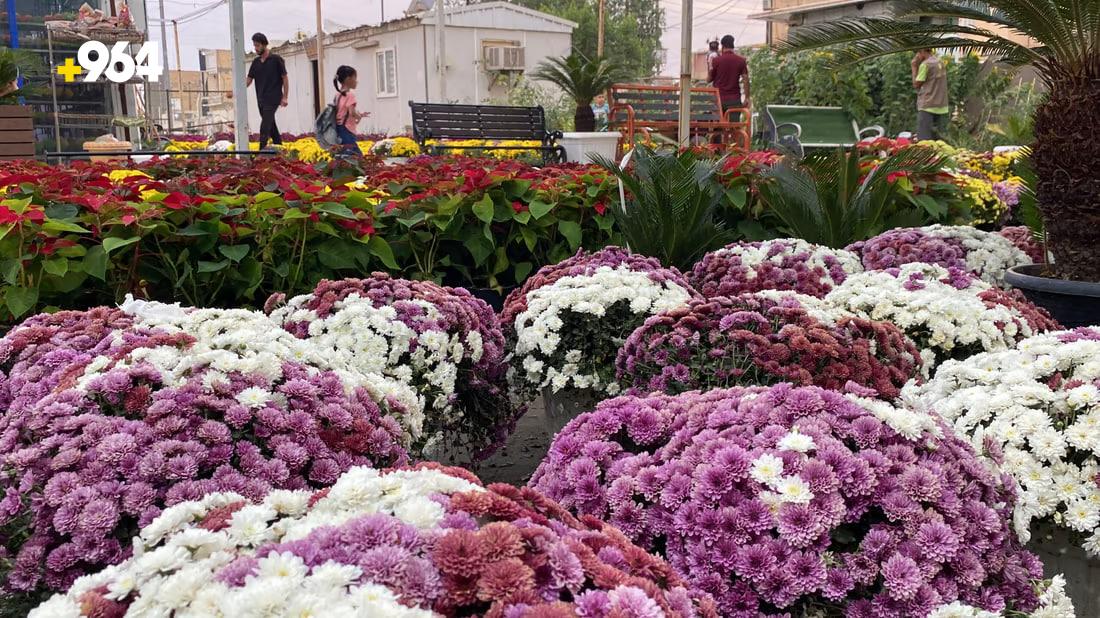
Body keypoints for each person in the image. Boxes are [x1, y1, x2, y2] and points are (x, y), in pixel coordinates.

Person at [246, 32, 288, 150]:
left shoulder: (276, 60)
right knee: (271, 126)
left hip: (273, 98)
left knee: (264, 127)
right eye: (254, 46)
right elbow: (249, 80)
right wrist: (236, 91)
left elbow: (285, 78)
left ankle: (261, 155)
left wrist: (285, 97)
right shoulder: (256, 62)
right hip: (261, 99)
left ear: (264, 45)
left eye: (258, 45)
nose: (256, 48)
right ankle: (280, 150)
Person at [708, 34, 750, 145]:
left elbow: (709, 79)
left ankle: (716, 152)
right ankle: (737, 153)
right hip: (734, 100)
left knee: (717, 129)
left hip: (719, 100)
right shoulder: (741, 61)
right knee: (735, 128)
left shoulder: (716, 60)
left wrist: (709, 67)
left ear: (722, 46)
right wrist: (747, 97)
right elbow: (745, 79)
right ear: (733, 45)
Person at [913, 48, 949, 142]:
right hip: (942, 106)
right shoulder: (940, 62)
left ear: (922, 52)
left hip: (927, 106)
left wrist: (914, 66)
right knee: (940, 142)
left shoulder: (925, 65)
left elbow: (916, 84)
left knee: (924, 141)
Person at [332, 65, 366, 155]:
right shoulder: (350, 95)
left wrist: (360, 114)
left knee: (343, 155)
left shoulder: (337, 95)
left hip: (338, 129)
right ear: (348, 79)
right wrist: (359, 117)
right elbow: (352, 112)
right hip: (347, 130)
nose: (356, 81)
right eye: (355, 78)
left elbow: (341, 111)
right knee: (356, 157)